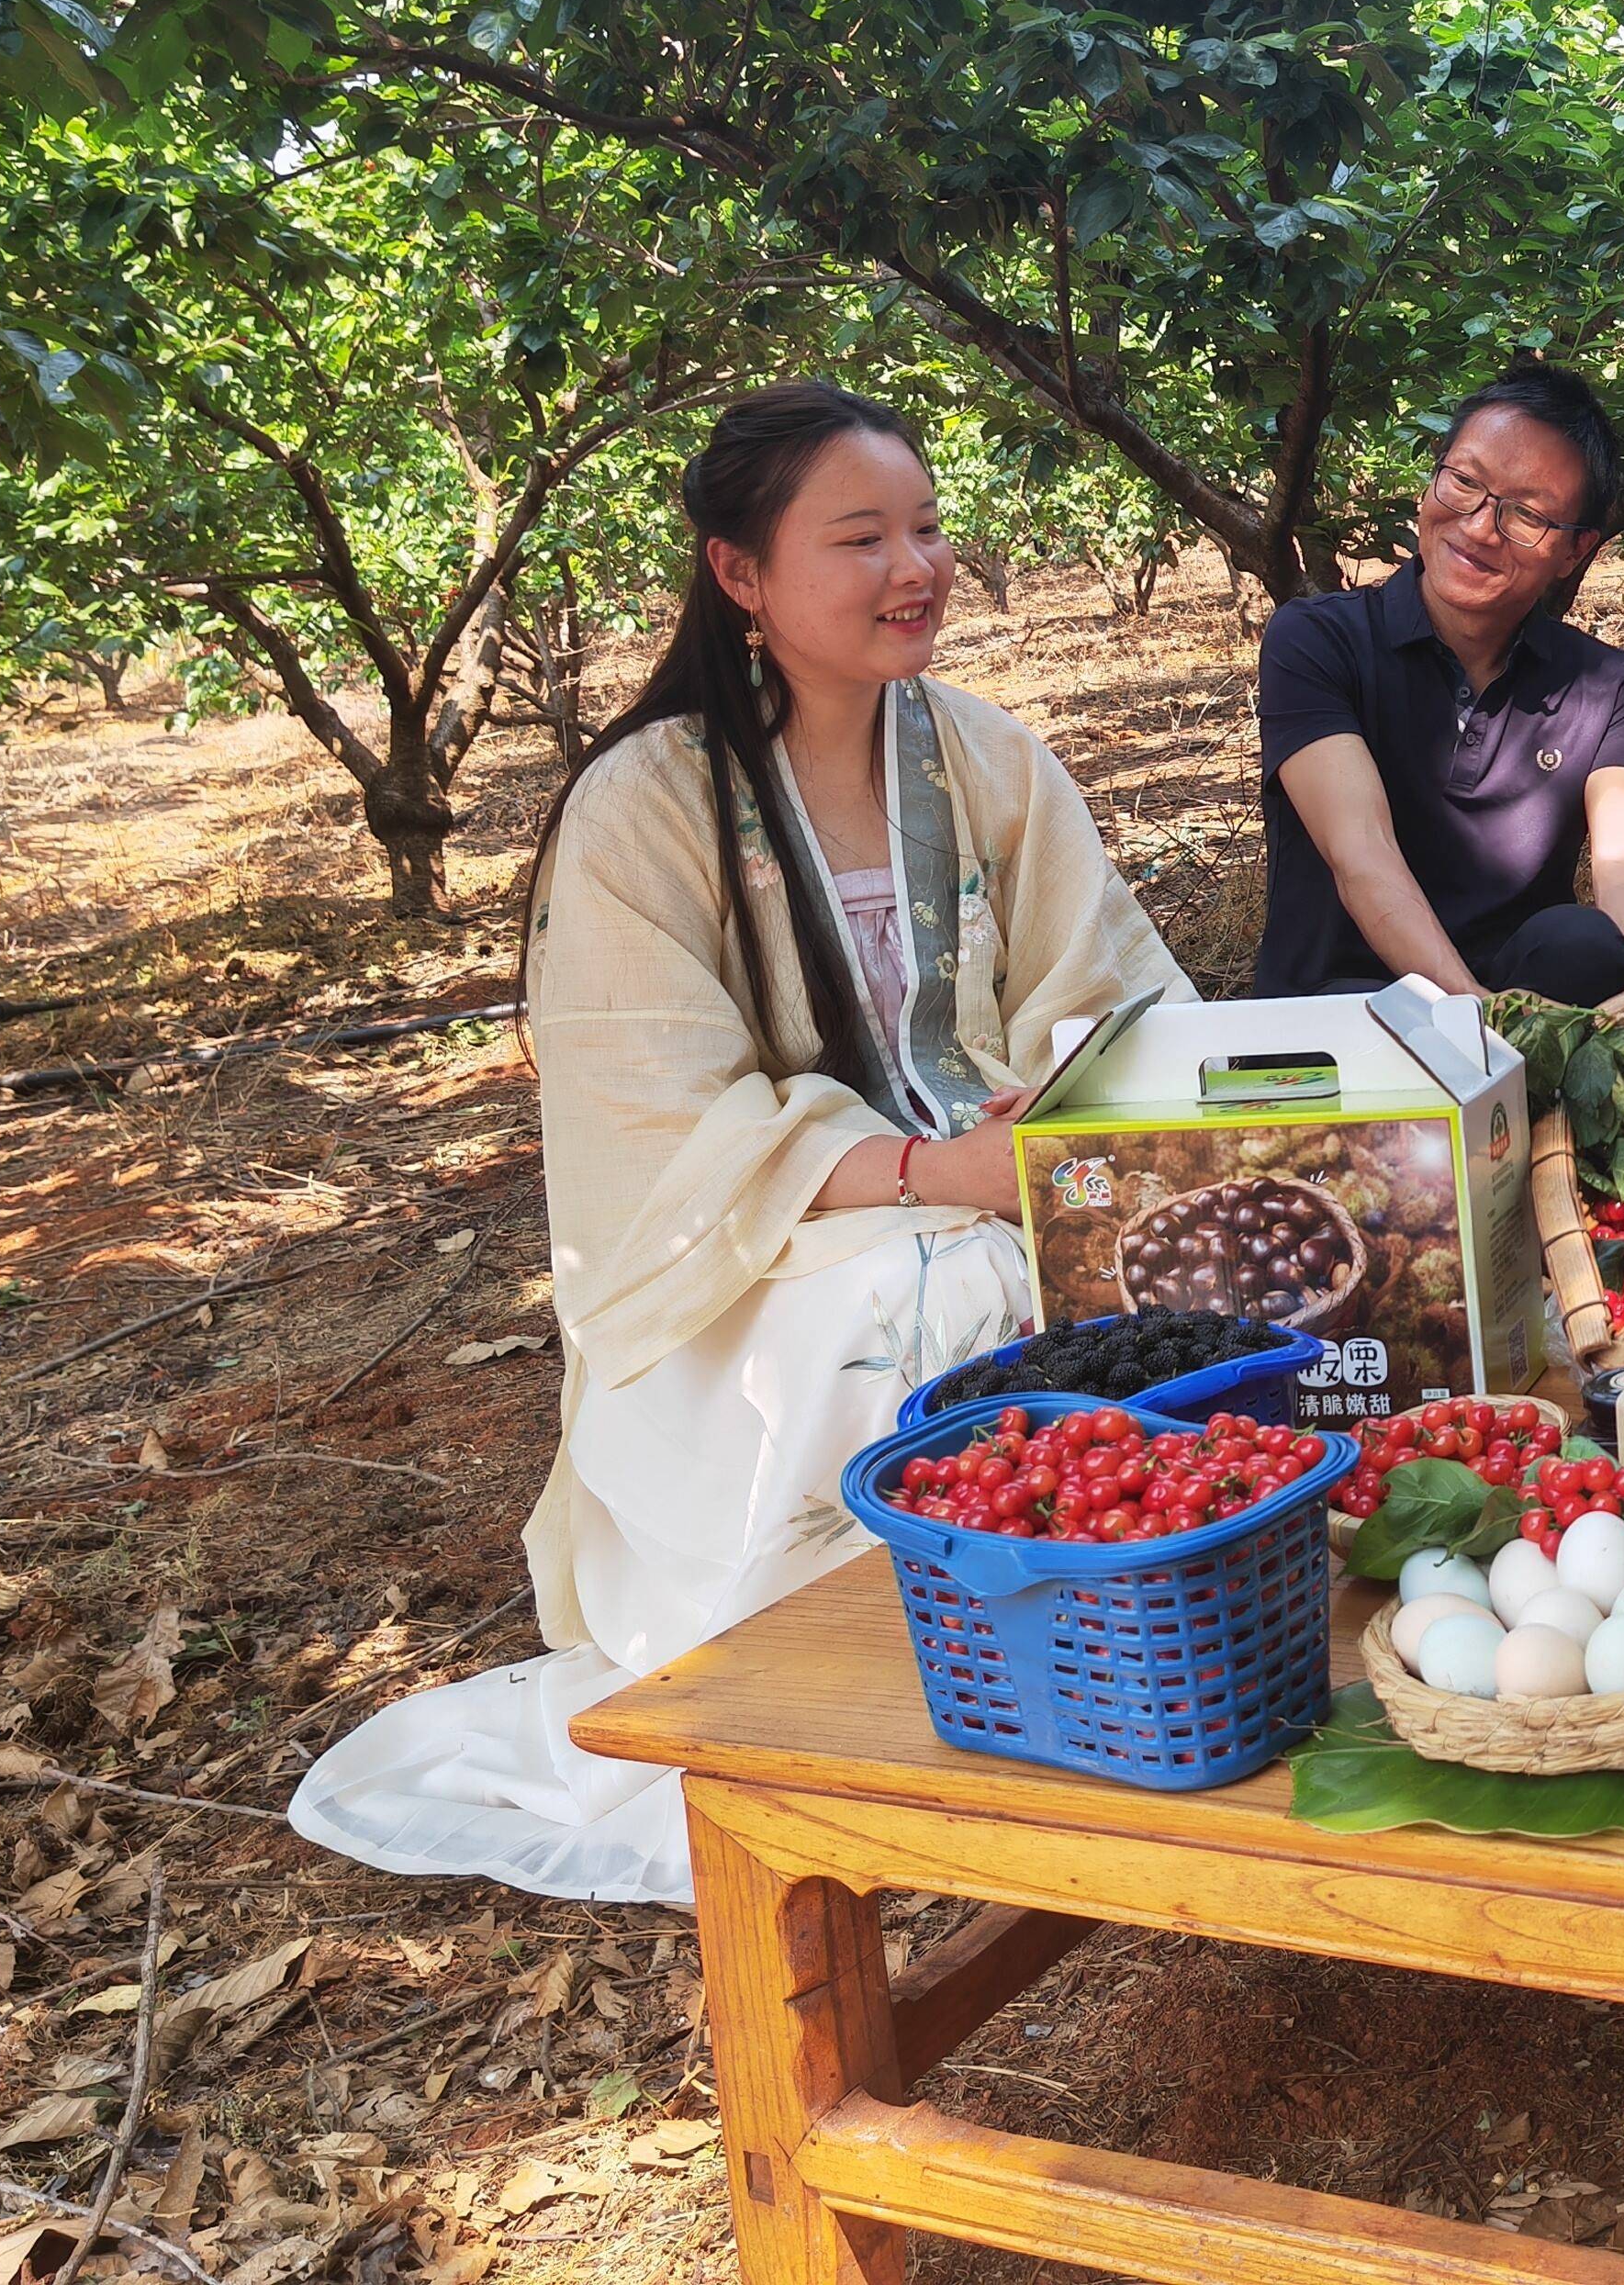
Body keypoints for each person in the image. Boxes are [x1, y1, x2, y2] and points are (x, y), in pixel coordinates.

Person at [290, 385, 1187, 1905]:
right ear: (741, 573)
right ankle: (854, 1675)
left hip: (998, 1170)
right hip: (768, 1257)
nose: (915, 565)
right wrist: (923, 1173)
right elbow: (657, 1119)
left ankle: (1091, 1638)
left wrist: (1051, 1106)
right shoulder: (645, 804)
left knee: (1164, 1253)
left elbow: (1109, 990)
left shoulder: (987, 761)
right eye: (861, 537)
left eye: (925, 525)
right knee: (908, 1295)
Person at [1252, 364, 1624, 1003]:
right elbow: (1360, 851)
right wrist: (1470, 1017)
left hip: (1521, 1004)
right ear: (1434, 477)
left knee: (1587, 946)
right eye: (1464, 483)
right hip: (1339, 1016)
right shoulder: (1318, 641)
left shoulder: (1606, 687)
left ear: (1575, 550)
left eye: (1527, 515)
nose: (1481, 527)